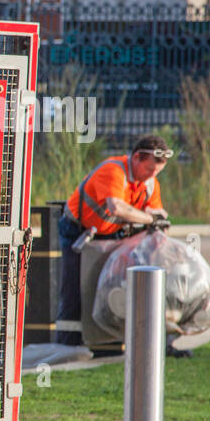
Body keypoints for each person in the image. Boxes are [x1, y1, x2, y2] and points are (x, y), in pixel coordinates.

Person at [55, 135, 172, 346]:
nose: (151, 176)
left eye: (156, 172)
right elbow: (116, 207)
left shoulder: (150, 184)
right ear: (136, 158)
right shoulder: (113, 171)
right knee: (75, 289)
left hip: (111, 236)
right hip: (78, 233)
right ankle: (68, 344)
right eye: (149, 170)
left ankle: (106, 340)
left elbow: (156, 211)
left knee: (109, 286)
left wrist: (158, 220)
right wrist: (150, 219)